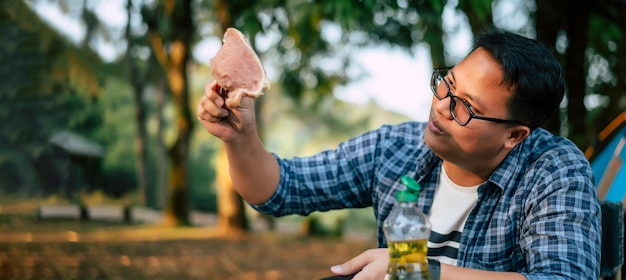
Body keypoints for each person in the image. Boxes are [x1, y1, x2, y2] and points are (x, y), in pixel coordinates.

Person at [196, 28, 601, 280]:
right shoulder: (396, 148)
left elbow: (563, 277)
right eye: (446, 84)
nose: (441, 105)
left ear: (514, 135)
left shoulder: (554, 170)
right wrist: (240, 136)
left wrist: (420, 272)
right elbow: (280, 190)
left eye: (465, 106)